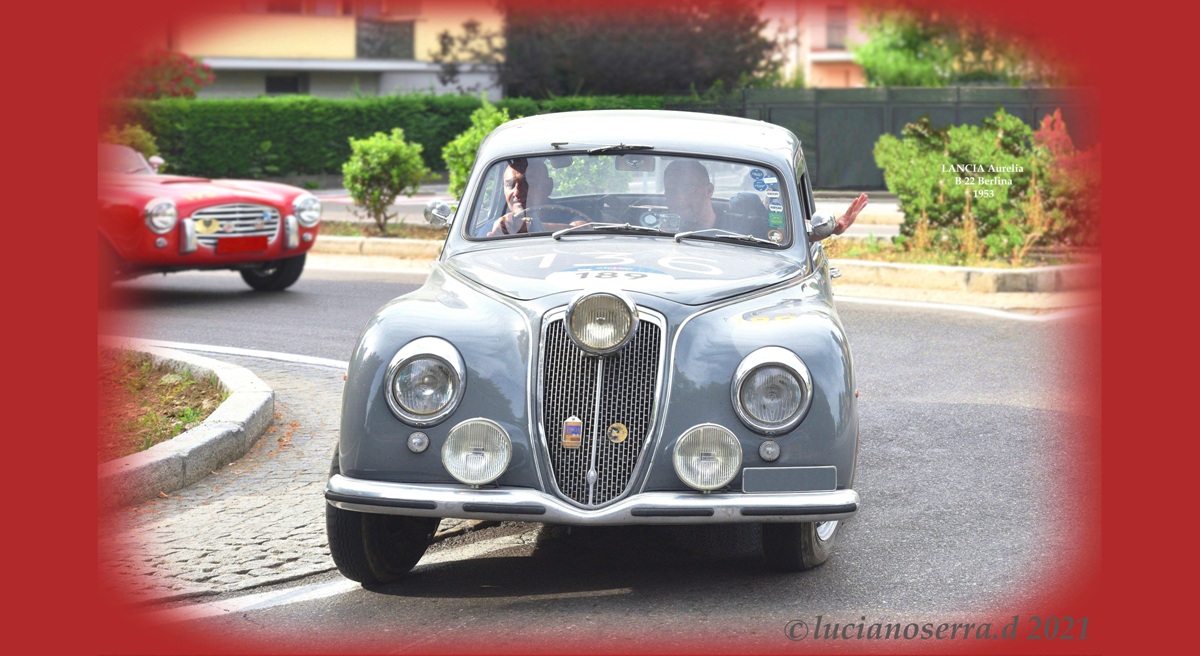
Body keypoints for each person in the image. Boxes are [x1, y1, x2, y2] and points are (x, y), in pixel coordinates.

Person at [662, 159, 869, 238]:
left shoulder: (747, 225)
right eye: (671, 190)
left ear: (709, 190)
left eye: (688, 188)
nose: (679, 197)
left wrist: (832, 228)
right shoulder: (652, 229)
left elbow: (788, 234)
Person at [486, 158, 556, 236]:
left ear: (548, 187)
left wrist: (533, 227)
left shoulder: (568, 216)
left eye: (527, 184)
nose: (517, 192)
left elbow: (572, 228)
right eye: (510, 185)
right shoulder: (495, 228)